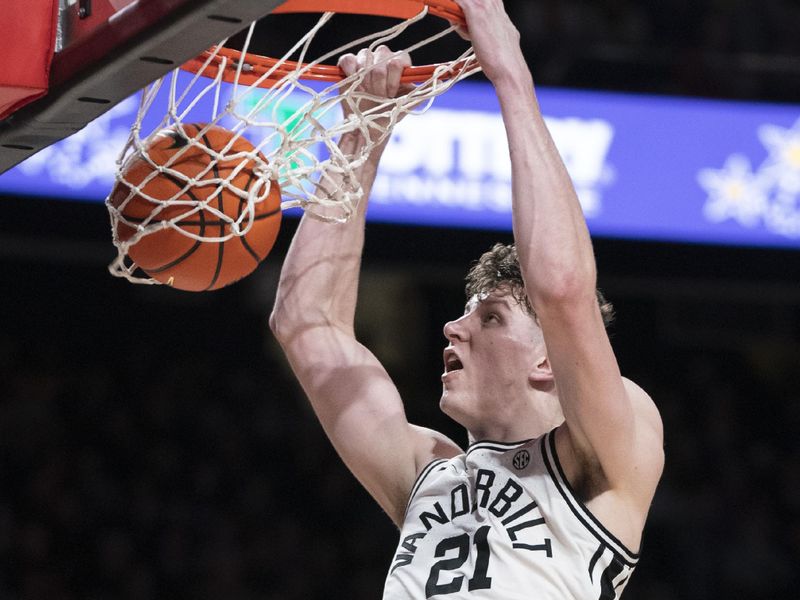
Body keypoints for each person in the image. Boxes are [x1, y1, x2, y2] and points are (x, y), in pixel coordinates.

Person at [269, 0, 664, 597]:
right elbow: (306, 323)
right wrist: (362, 135)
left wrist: (510, 72)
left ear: (545, 360)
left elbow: (559, 289)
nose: (453, 328)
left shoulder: (608, 449)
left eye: (491, 316)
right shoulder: (427, 469)